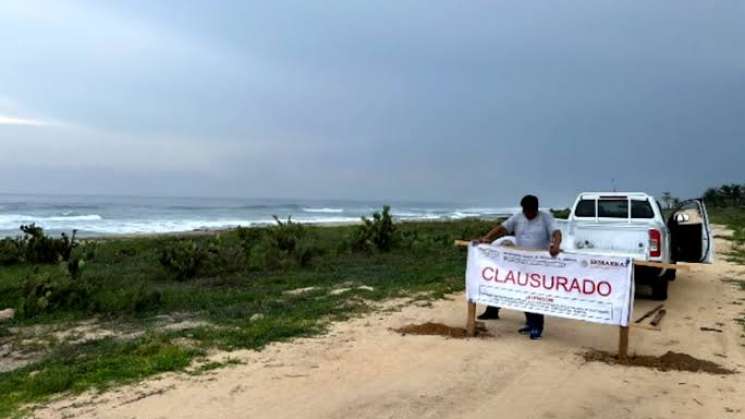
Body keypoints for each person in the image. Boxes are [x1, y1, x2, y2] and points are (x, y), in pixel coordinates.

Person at [476, 195, 562, 340]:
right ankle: (530, 323)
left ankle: (537, 328)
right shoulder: (518, 218)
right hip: (521, 263)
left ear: (536, 208)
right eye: (526, 210)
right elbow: (502, 228)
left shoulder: (545, 218)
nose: (529, 213)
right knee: (523, 294)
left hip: (539, 265)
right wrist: (487, 238)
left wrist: (556, 244)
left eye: (532, 210)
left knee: (536, 295)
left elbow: (556, 232)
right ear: (523, 209)